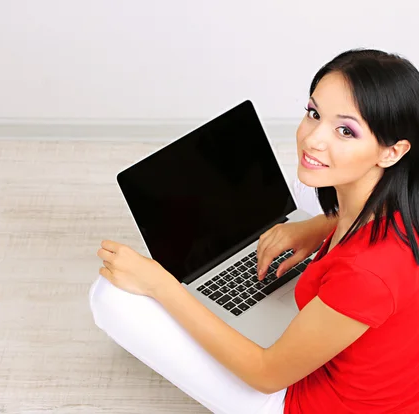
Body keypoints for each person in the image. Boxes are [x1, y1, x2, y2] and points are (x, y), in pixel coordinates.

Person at [90, 48, 419, 414]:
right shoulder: (404, 207)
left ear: (392, 152)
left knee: (109, 294)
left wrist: (162, 286)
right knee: (299, 192)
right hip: (366, 359)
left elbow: (266, 373)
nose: (312, 139)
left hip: (303, 399)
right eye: (314, 114)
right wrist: (317, 226)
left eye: (345, 131)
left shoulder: (367, 274)